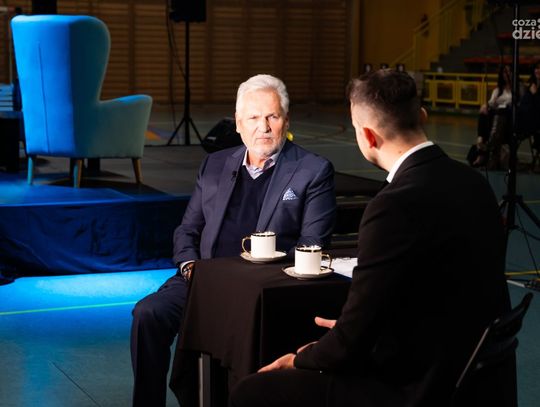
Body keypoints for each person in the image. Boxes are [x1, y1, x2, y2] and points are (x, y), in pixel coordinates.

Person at [230, 70, 514, 407]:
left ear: (367, 136)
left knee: (252, 392)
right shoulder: (474, 183)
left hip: (417, 387)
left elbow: (350, 344)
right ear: (422, 116)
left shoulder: (393, 205)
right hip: (472, 377)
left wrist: (302, 358)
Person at [130, 74, 336, 406]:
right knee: (147, 315)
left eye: (272, 116)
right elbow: (187, 230)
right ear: (238, 124)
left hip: (258, 289)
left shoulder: (313, 170)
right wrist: (190, 268)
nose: (263, 127)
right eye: (253, 118)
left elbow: (313, 242)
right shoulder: (214, 164)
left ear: (286, 120)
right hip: (203, 278)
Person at [471, 65, 513, 169]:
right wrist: (485, 105)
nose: (507, 74)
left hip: (509, 120)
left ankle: (483, 150)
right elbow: (490, 103)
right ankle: (481, 141)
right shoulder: (497, 90)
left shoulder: (517, 89)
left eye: (509, 71)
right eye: (504, 72)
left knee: (500, 114)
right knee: (483, 113)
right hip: (495, 119)